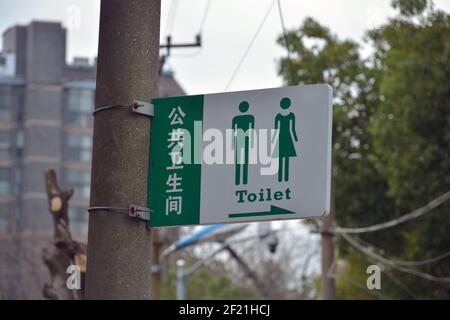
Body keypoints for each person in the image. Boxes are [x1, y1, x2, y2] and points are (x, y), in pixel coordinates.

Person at [274, 97, 298, 182]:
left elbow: (292, 128)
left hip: (286, 137)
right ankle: (281, 178)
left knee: (286, 157)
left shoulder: (291, 115)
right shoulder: (278, 116)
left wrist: (295, 138)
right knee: (282, 157)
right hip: (282, 137)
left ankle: (285, 178)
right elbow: (276, 129)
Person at [232, 101, 255, 185]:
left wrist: (252, 142)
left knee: (244, 160)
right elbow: (233, 130)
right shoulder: (236, 118)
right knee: (239, 161)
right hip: (240, 139)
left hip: (245, 139)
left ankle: (244, 180)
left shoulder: (250, 117)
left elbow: (252, 130)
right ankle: (238, 180)